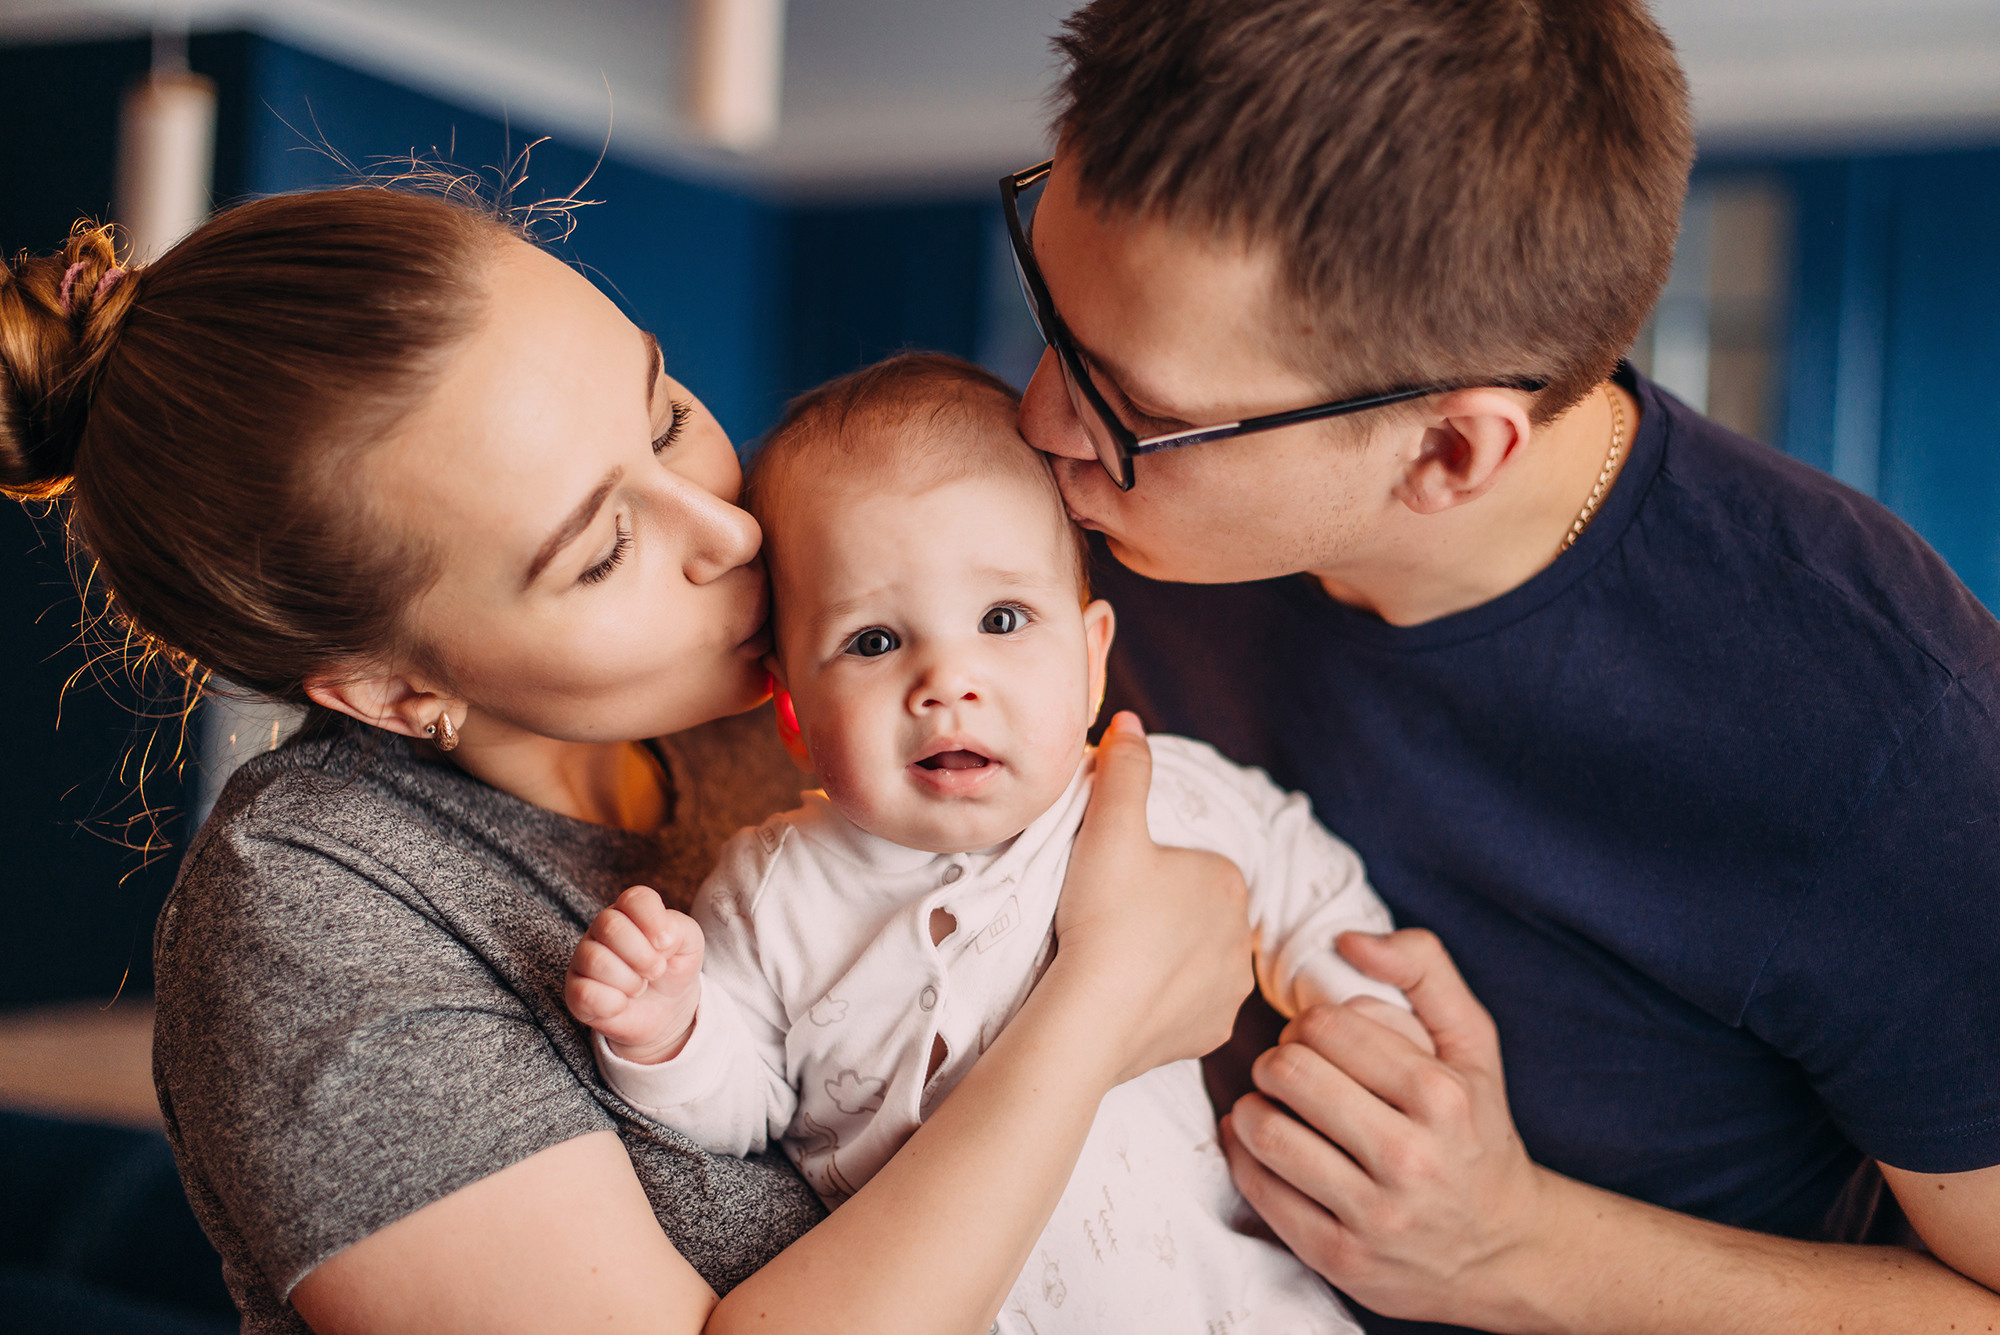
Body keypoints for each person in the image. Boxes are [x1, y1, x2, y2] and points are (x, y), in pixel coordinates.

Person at [0, 192, 1256, 1335]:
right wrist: (1099, 1003)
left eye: (663, 414)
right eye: (602, 553)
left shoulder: (811, 679)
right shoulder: (312, 908)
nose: (729, 526)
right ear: (396, 690)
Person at [1005, 1, 2000, 1332]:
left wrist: (1516, 1247)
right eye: (1047, 301)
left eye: (1140, 409)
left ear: (1449, 454)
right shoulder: (1079, 502)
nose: (1033, 416)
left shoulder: (1891, 732)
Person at [565, 353, 1426, 1335]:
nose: (947, 682)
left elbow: (1297, 870)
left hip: (1226, 1306)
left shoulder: (1141, 799)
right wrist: (667, 1030)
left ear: (1093, 657)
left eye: (1002, 619)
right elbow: (739, 1108)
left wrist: (1359, 1010)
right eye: (875, 641)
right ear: (793, 711)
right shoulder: (771, 889)